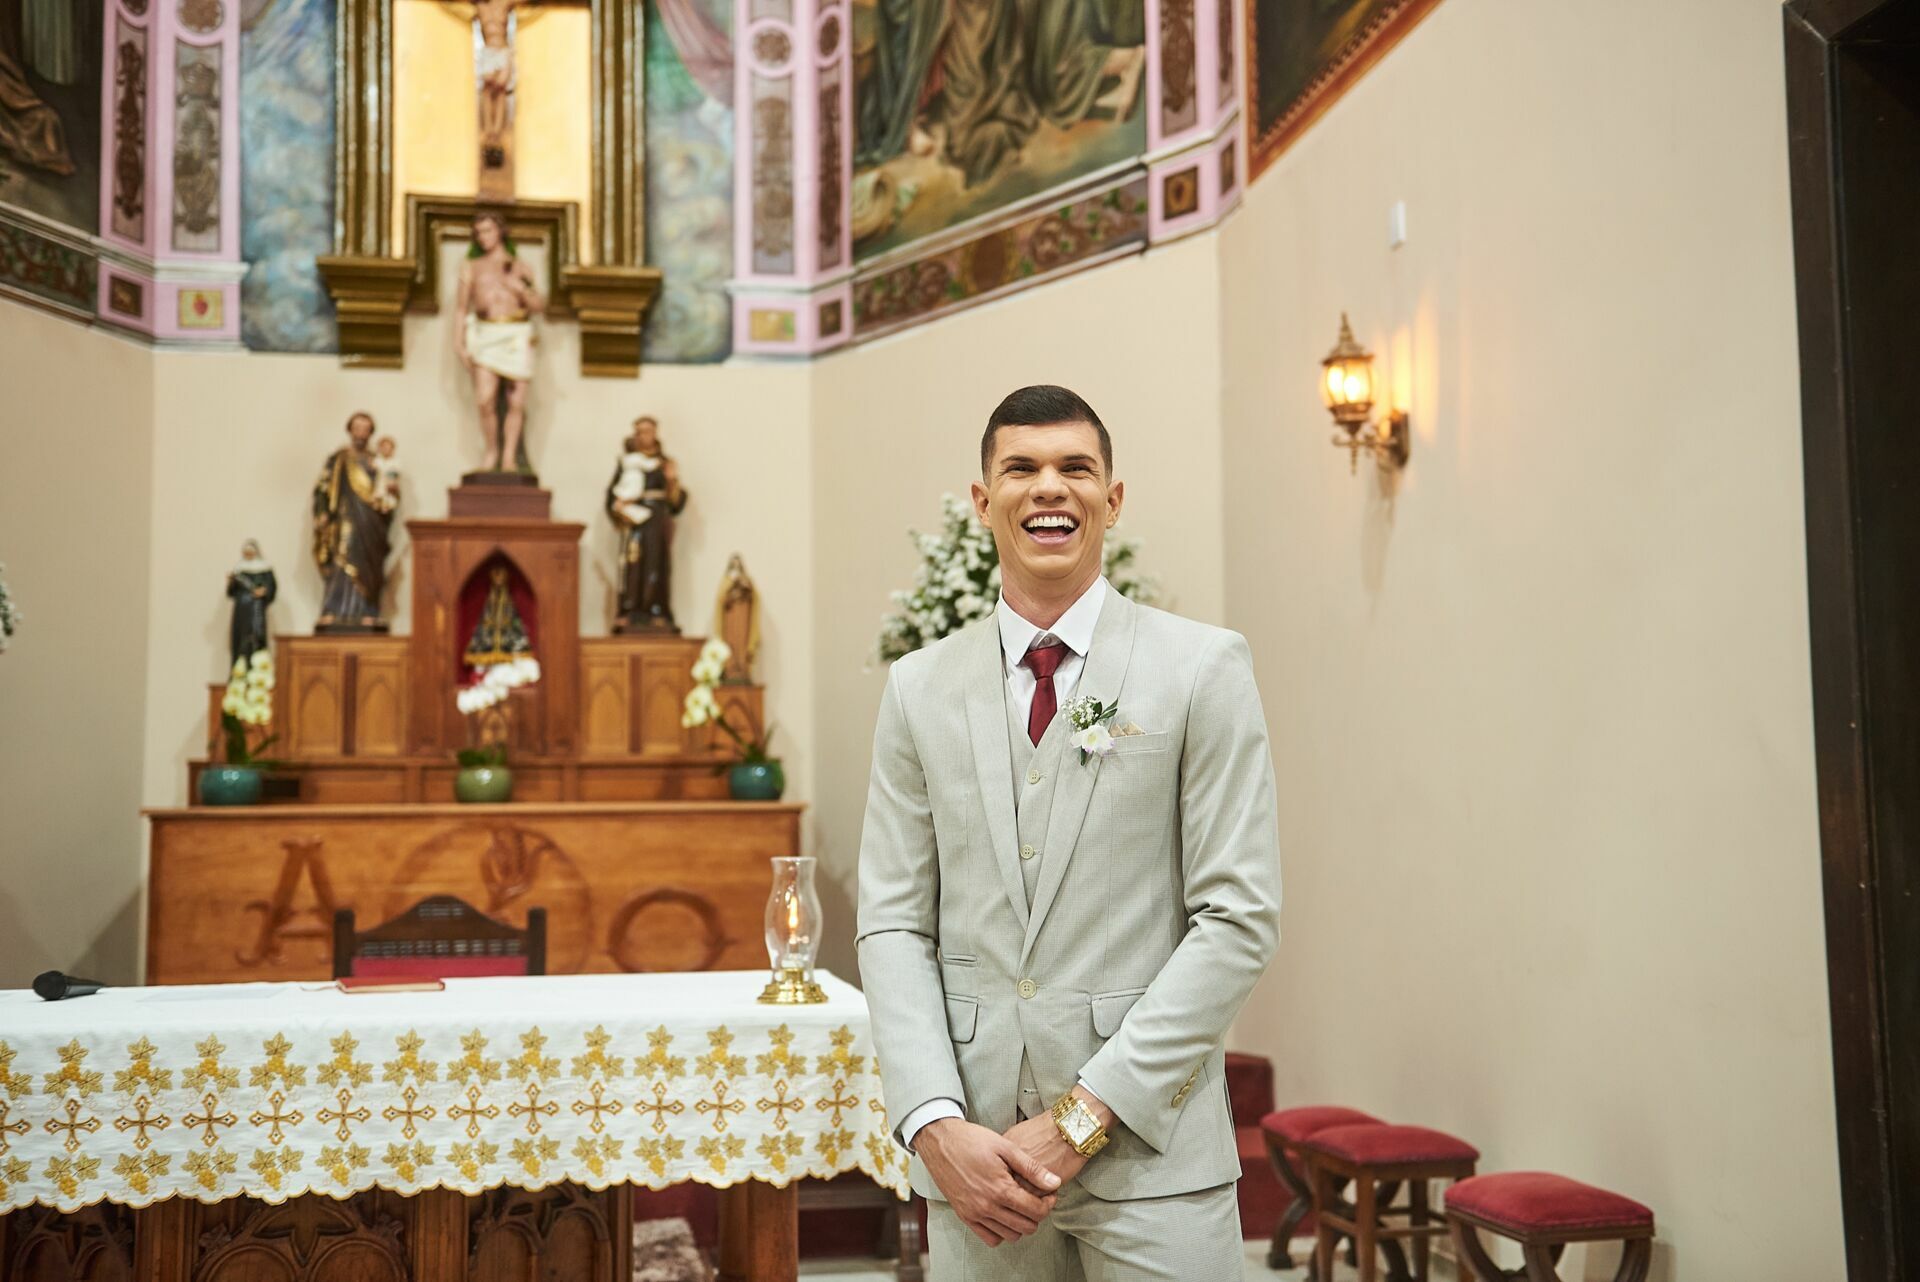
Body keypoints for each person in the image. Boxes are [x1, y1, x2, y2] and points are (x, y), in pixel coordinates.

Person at [856, 385, 1281, 1278]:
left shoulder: (1202, 666)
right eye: (1022, 468)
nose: (1049, 488)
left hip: (1152, 1157)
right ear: (983, 501)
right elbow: (893, 921)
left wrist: (1086, 1115)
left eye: (1075, 468)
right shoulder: (918, 688)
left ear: (1112, 499)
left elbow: (1238, 918)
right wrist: (934, 1125)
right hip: (981, 1165)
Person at [454, 211, 544, 472]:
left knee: (516, 402)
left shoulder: (519, 267)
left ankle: (508, 458)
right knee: (484, 399)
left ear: (500, 231)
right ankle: (491, 451)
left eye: (488, 230)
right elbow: (461, 307)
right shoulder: (471, 267)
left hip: (515, 334)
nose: (484, 237)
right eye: (479, 232)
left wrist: (518, 288)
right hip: (486, 334)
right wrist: (458, 343)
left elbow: (539, 305)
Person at [311, 411, 394, 630]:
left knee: (369, 568)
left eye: (365, 428)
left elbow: (387, 494)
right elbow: (322, 488)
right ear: (349, 430)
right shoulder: (338, 459)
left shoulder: (378, 462)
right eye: (356, 427)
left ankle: (368, 609)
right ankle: (333, 608)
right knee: (341, 559)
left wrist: (391, 494)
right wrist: (321, 512)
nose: (360, 432)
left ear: (370, 432)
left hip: (370, 524)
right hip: (345, 518)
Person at [607, 416, 688, 632]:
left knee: (657, 565)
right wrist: (621, 509)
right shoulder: (628, 463)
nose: (645, 436)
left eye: (649, 431)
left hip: (657, 522)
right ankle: (631, 609)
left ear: (655, 433)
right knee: (633, 566)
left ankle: (657, 609)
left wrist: (672, 480)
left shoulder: (663, 464)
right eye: (640, 431)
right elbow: (613, 495)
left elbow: (676, 503)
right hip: (635, 523)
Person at [226, 539, 277, 668]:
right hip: (241, 611)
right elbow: (231, 592)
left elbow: (271, 587)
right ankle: (239, 670)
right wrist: (231, 582)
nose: (248, 555)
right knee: (241, 641)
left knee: (256, 639)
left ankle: (258, 670)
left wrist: (263, 591)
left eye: (250, 553)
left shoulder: (265, 568)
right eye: (246, 553)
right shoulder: (239, 570)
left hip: (256, 610)